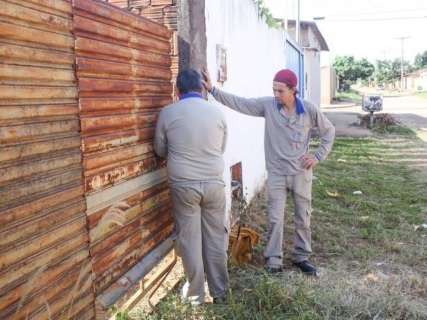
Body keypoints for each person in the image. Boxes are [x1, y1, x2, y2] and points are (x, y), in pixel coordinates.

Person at [202, 68, 335, 276]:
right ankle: (274, 260)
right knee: (275, 218)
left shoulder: (309, 110)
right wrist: (213, 91)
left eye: (280, 91)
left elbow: (329, 132)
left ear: (293, 90)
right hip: (276, 174)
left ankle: (302, 257)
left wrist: (317, 157)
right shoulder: (268, 106)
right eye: (273, 90)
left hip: (301, 174)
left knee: (303, 216)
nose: (276, 95)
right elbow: (242, 103)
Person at [154, 68, 229, 305]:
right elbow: (221, 147)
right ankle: (220, 292)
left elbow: (159, 149)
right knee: (215, 238)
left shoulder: (168, 113)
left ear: (178, 90)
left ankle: (195, 295)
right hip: (214, 183)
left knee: (189, 239)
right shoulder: (217, 112)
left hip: (184, 186)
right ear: (201, 88)